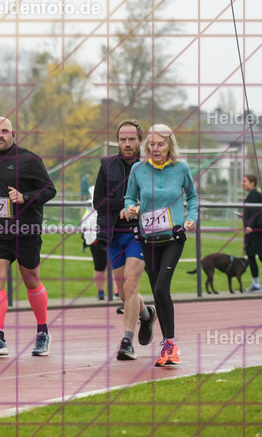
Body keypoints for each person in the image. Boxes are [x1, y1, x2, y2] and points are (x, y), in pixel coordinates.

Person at [0, 117, 56, 357]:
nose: (1, 135)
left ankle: (42, 332)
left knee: (31, 280)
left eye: (5, 131)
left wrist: (25, 197)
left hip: (25, 230)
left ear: (13, 134)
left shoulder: (29, 160)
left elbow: (49, 189)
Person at [123, 124, 198, 367]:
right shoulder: (138, 169)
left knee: (162, 288)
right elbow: (129, 196)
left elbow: (192, 197)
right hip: (148, 238)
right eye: (151, 144)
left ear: (170, 146)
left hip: (174, 236)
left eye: (160, 144)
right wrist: (131, 207)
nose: (155, 149)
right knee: (156, 290)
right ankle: (167, 344)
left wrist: (192, 218)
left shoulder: (181, 168)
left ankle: (170, 345)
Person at [93, 119, 156, 361]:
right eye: (123, 140)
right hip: (113, 234)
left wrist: (140, 208)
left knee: (130, 286)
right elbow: (98, 201)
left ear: (140, 141)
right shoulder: (107, 165)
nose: (127, 144)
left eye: (132, 139)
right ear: (117, 141)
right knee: (123, 293)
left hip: (140, 234)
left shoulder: (151, 166)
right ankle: (147, 314)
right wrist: (125, 205)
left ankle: (127, 342)